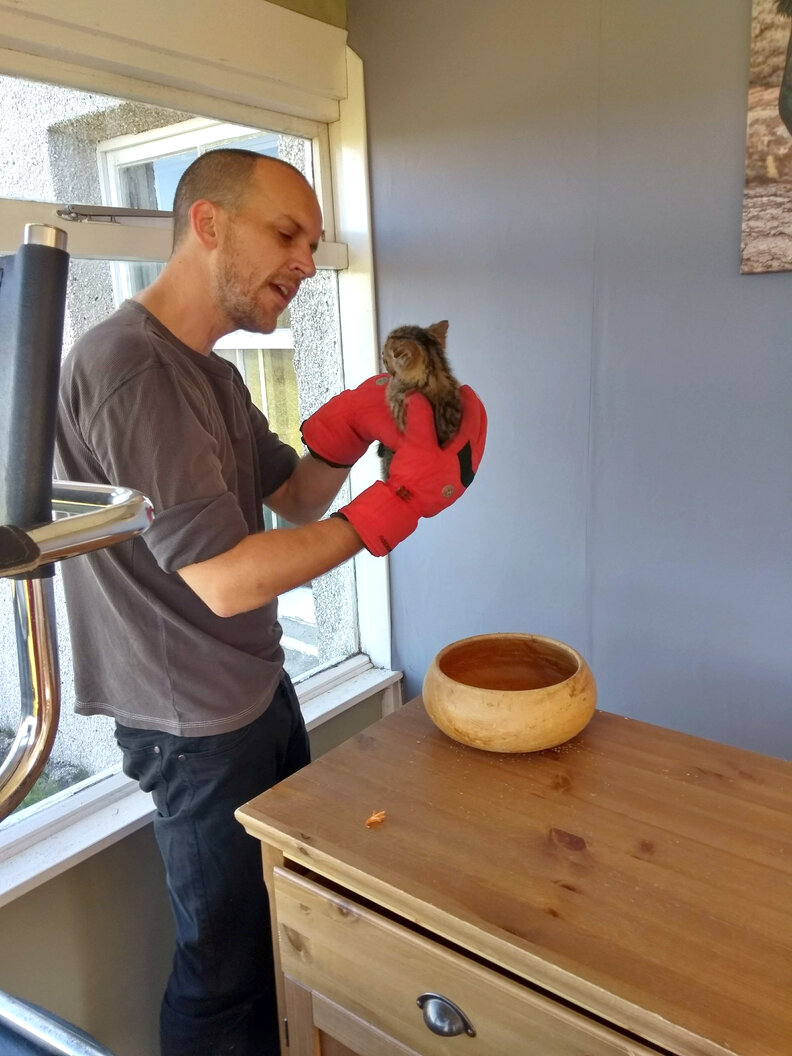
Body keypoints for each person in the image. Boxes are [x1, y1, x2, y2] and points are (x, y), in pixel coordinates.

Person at [55, 148, 486, 1056]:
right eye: (286, 233)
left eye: (315, 243)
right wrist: (395, 505)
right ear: (207, 223)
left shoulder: (207, 370)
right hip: (192, 724)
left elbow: (294, 497)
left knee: (281, 935)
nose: (306, 259)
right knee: (226, 974)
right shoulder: (135, 371)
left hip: (250, 688)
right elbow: (227, 579)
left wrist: (358, 424)